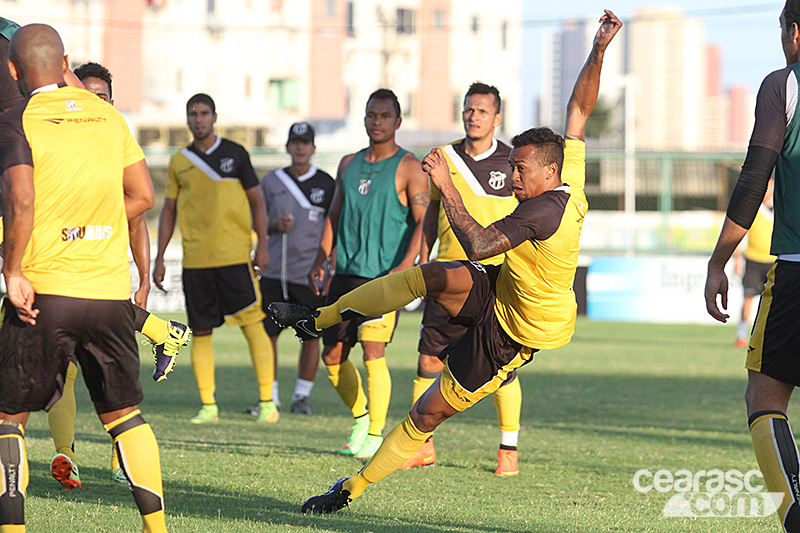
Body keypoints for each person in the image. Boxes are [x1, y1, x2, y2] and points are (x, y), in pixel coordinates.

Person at [271, 10, 622, 513]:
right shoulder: (568, 173)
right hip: (503, 287)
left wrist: (447, 186)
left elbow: (479, 244)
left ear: (548, 171)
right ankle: (316, 317)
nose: (513, 175)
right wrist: (599, 49)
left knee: (426, 413)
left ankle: (349, 490)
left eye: (520, 169)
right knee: (431, 274)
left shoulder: (544, 211)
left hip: (515, 333)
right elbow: (580, 109)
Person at [0, 23, 167, 531]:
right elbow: (143, 198)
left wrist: (12, 270)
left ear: (13, 70)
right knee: (125, 416)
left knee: (9, 420)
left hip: (46, 290)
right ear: (66, 62)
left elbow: (22, 200)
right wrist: (90, 225)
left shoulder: (15, 119)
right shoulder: (108, 116)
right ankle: (157, 530)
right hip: (109, 293)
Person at [43, 61, 191, 489]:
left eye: (103, 98)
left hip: (101, 269)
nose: (95, 104)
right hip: (68, 265)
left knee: (113, 382)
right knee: (66, 371)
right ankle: (66, 454)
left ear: (112, 102)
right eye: (87, 96)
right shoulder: (67, 140)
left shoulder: (113, 138)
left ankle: (111, 459)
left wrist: (144, 279)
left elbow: (138, 211)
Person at [704, 2, 800, 529]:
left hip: (795, 269)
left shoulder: (782, 85)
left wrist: (720, 258)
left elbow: (753, 177)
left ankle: (794, 514)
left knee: (765, 393)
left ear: (793, 31)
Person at [400, 82, 523, 476]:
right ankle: (423, 446)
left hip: (498, 280)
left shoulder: (513, 162)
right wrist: (423, 255)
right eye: (469, 109)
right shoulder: (444, 158)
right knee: (428, 359)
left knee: (503, 371)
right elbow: (432, 214)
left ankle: (508, 451)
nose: (474, 116)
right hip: (451, 273)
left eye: (482, 111)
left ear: (497, 118)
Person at [305, 88, 428, 458]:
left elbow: (424, 222)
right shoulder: (347, 163)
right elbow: (334, 214)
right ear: (364, 119)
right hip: (344, 275)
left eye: (385, 116)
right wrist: (321, 258)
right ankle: (361, 416)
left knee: (373, 351)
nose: (377, 122)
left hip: (384, 279)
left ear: (398, 122)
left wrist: (406, 267)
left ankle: (376, 433)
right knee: (332, 358)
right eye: (371, 115)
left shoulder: (410, 166)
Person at [154, 93, 276, 424]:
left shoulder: (235, 154)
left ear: (214, 116)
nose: (198, 119)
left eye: (204, 113)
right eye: (192, 114)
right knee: (201, 332)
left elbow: (257, 202)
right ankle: (208, 406)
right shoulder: (179, 160)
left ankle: (268, 402)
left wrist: (261, 246)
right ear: (187, 119)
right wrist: (160, 257)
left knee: (253, 327)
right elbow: (168, 210)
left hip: (235, 257)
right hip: (195, 261)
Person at [253, 122, 334, 415]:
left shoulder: (326, 183)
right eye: (295, 142)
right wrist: (274, 226)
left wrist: (329, 265)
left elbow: (334, 226)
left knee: (311, 336)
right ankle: (268, 397)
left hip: (309, 274)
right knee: (267, 336)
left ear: (313, 147)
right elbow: (256, 221)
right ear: (287, 147)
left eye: (305, 142)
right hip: (274, 272)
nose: (300, 147)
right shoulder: (272, 181)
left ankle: (301, 396)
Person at [732, 178, 775, 348]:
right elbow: (739, 233)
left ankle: (771, 337)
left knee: (775, 302)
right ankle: (741, 334)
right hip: (753, 259)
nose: (766, 190)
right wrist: (736, 258)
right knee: (748, 297)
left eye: (769, 187)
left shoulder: (781, 206)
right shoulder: (752, 208)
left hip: (775, 260)